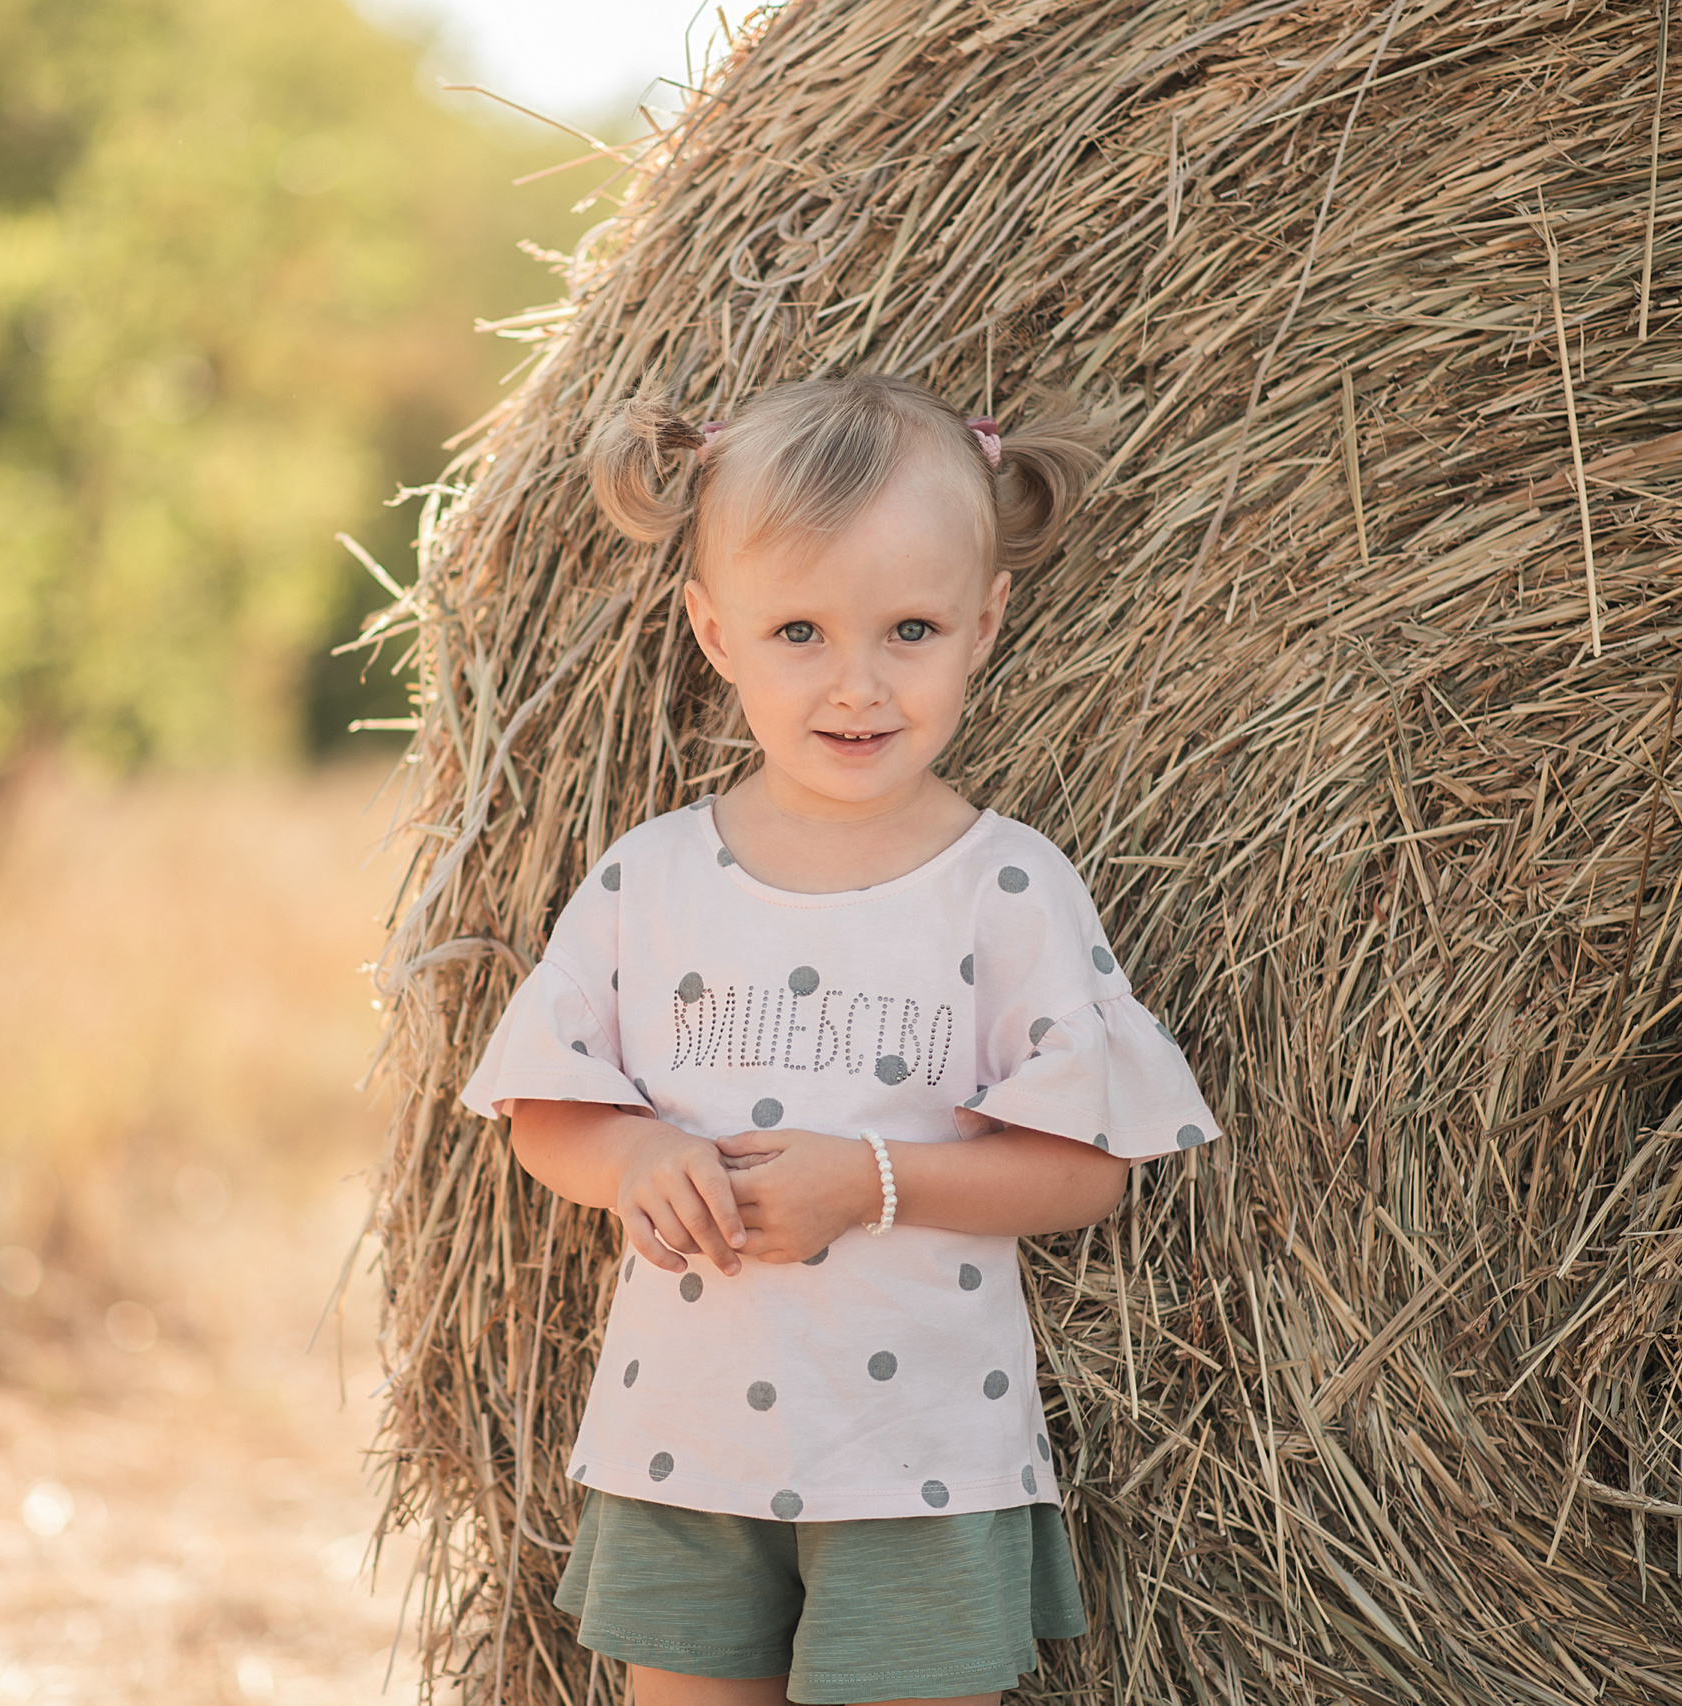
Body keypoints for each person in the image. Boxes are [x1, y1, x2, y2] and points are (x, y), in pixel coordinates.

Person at [458, 372, 1222, 1706]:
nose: (858, 684)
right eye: (799, 630)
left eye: (910, 628)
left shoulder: (1008, 886)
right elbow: (545, 1108)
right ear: (714, 630)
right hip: (681, 1447)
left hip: (919, 1455)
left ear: (986, 622)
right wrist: (634, 1153)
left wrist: (868, 1180)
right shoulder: (652, 878)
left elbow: (1086, 1167)